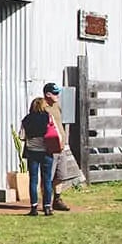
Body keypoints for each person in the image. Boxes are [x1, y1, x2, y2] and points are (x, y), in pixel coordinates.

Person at [20, 96, 55, 216]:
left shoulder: (27, 119)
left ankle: (34, 207)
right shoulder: (48, 117)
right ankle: (47, 207)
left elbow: (21, 136)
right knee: (47, 180)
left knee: (33, 180)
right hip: (46, 151)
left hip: (32, 151)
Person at [42, 82, 72, 211]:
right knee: (48, 176)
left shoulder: (57, 106)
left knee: (60, 175)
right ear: (48, 94)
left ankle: (57, 199)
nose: (57, 95)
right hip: (49, 147)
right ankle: (46, 201)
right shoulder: (42, 107)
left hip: (61, 146)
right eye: (55, 93)